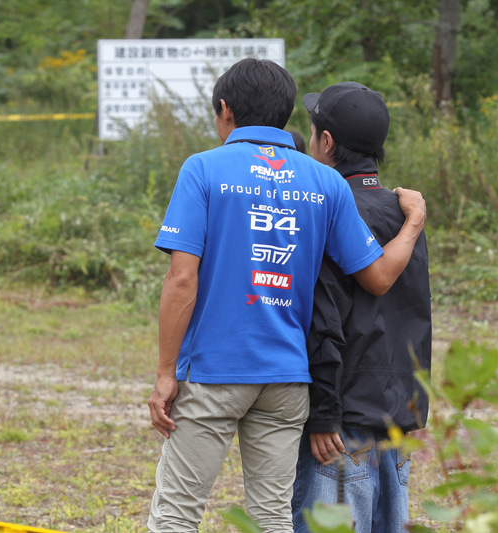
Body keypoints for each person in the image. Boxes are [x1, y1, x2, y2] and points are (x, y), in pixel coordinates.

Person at [146, 58, 426, 533]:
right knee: (272, 517)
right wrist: (415, 221)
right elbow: (377, 277)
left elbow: (181, 280)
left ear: (224, 110)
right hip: (287, 379)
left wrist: (165, 374)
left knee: (176, 514)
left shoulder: (203, 169)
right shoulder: (324, 182)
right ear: (286, 113)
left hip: (216, 370)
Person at [292, 82, 431, 533]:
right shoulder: (404, 212)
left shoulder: (331, 209)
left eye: (313, 133)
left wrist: (322, 413)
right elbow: (410, 315)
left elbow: (325, 322)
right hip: (395, 416)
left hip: (341, 424)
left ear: (326, 142)